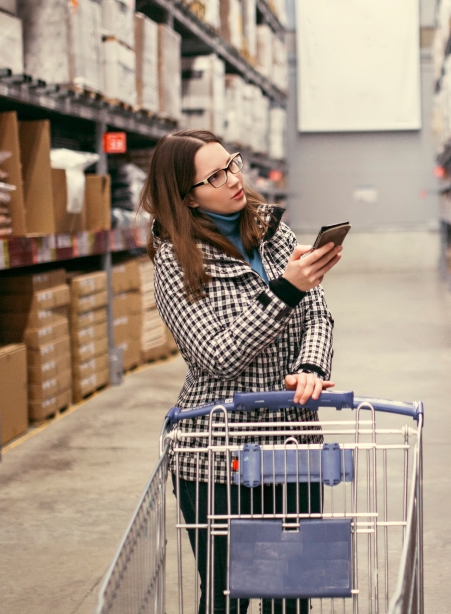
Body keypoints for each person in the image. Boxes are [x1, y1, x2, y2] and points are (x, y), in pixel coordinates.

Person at [142, 129, 343, 614]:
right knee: (231, 596)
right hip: (216, 455)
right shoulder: (175, 260)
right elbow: (218, 355)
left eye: (231, 164)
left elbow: (317, 314)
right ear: (186, 199)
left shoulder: (273, 233)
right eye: (215, 176)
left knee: (292, 594)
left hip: (292, 441)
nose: (234, 179)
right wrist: (285, 289)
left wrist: (310, 367)